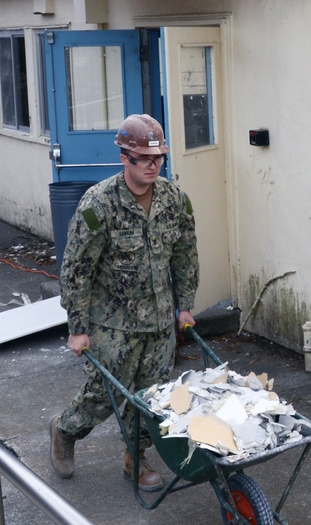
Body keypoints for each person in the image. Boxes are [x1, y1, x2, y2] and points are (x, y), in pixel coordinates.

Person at [49, 113, 199, 492]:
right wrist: (77, 329)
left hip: (159, 321)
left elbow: (185, 254)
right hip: (111, 324)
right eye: (143, 159)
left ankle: (136, 457)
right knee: (104, 394)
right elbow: (77, 270)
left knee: (153, 398)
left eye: (158, 158)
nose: (152, 165)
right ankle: (64, 431)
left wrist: (185, 305)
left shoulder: (174, 199)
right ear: (124, 158)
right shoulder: (97, 206)